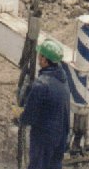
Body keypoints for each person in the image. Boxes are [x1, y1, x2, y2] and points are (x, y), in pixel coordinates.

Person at [18, 38, 70, 169]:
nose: (38, 58)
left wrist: (20, 117)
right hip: (61, 134)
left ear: (44, 60)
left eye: (40, 55)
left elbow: (29, 116)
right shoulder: (62, 76)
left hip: (44, 138)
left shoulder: (41, 85)